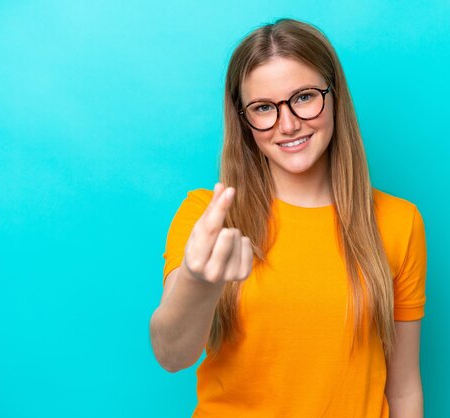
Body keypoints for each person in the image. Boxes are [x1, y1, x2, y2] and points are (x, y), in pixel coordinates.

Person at [149, 18, 427, 418]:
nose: (289, 123)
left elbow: (402, 391)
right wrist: (198, 281)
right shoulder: (207, 215)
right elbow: (171, 354)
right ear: (243, 120)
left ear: (334, 96)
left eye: (304, 97)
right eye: (263, 108)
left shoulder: (399, 222)